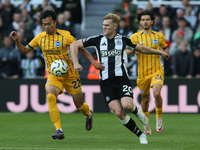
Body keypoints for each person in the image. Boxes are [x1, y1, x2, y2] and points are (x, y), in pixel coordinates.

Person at [70, 13, 169, 144]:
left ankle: (138, 112)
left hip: (121, 79)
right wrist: (77, 62)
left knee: (127, 105)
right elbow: (74, 45)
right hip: (105, 82)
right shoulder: (98, 39)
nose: (104, 28)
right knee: (119, 112)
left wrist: (160, 52)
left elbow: (142, 49)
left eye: (107, 25)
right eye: (103, 25)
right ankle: (140, 135)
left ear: (115, 26)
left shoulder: (123, 40)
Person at [10, 9, 97, 140]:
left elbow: (82, 50)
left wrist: (94, 64)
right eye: (44, 24)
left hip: (71, 74)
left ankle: (88, 114)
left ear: (55, 22)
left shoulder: (66, 36)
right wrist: (17, 41)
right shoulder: (40, 38)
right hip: (54, 74)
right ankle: (58, 129)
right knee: (50, 96)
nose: (47, 27)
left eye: (49, 24)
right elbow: (24, 51)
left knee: (79, 105)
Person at [129, 10, 169, 135]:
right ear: (140, 22)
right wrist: (135, 48)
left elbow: (165, 47)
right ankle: (146, 122)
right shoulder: (135, 37)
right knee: (145, 100)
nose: (145, 22)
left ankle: (159, 116)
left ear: (152, 21)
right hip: (142, 74)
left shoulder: (159, 36)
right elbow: (127, 51)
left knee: (156, 93)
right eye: (143, 20)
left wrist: (164, 52)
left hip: (157, 70)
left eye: (147, 19)